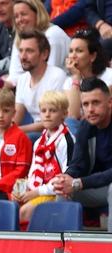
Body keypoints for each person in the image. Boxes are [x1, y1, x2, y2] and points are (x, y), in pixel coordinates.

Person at [51, 76, 112, 215]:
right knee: (64, 190)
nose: (90, 109)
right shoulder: (86, 125)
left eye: (96, 103)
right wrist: (65, 179)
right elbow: (78, 164)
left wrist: (80, 182)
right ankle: (66, 236)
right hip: (98, 186)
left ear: (110, 102)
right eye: (85, 104)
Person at [15, 90, 75, 224]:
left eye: (53, 111)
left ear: (64, 114)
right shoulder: (38, 142)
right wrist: (24, 191)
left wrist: (36, 192)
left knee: (24, 212)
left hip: (56, 193)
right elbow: (32, 173)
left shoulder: (67, 140)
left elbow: (65, 179)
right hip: (38, 190)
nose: (47, 115)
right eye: (43, 111)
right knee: (13, 206)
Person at [13, 29, 69, 134]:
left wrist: (16, 131)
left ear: (44, 54)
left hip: (55, 133)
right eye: (21, 51)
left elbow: (54, 119)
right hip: (34, 133)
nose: (23, 56)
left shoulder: (57, 76)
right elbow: (17, 118)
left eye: (29, 51)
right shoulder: (22, 79)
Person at [0, 87, 32, 199]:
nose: (1, 115)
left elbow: (21, 172)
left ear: (14, 113)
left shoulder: (21, 137)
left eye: (6, 111)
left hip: (10, 192)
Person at [8, 0, 71, 79]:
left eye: (24, 14)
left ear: (38, 13)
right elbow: (15, 74)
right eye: (16, 16)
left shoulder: (53, 34)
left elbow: (49, 76)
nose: (19, 20)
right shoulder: (21, 38)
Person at [63, 28, 112, 120]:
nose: (73, 56)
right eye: (71, 51)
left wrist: (81, 118)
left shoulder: (109, 76)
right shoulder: (70, 82)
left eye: (79, 51)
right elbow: (72, 115)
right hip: (82, 127)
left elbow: (103, 112)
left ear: (92, 56)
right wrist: (77, 77)